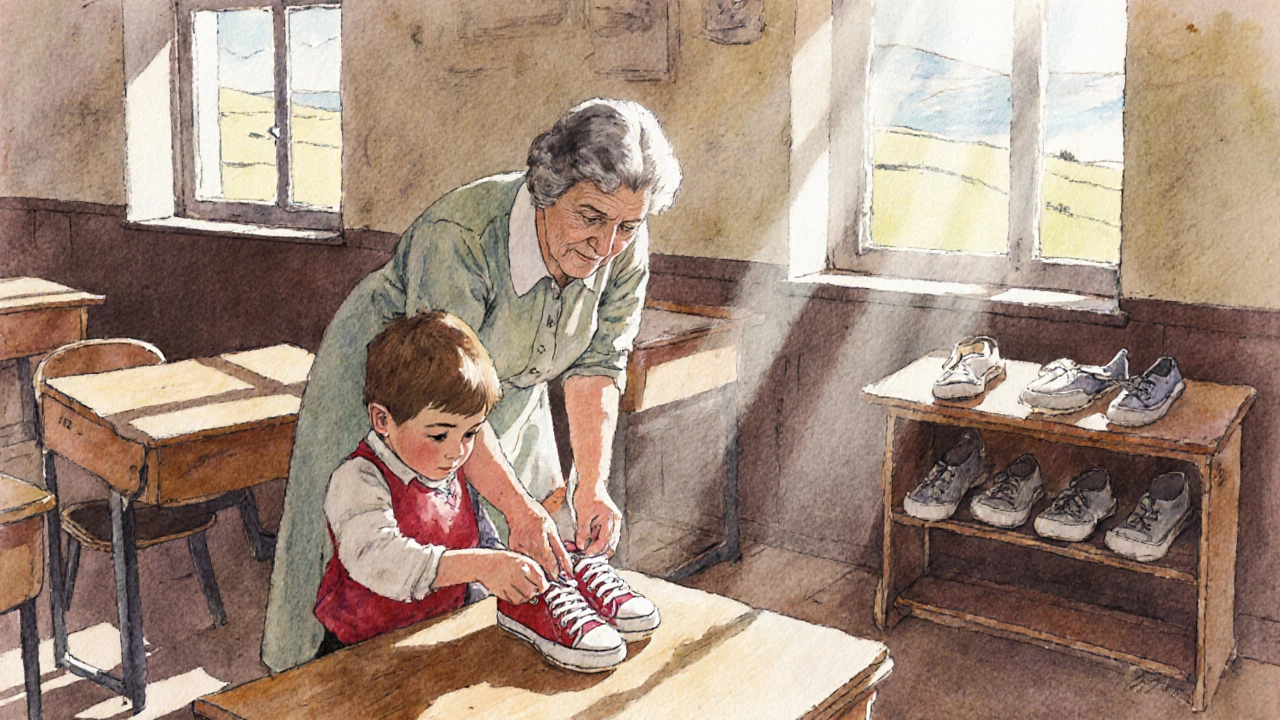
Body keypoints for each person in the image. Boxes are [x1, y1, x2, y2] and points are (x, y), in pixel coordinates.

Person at [263, 98, 682, 672]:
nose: (607, 245)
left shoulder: (623, 243)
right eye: (589, 217)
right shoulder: (459, 236)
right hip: (399, 391)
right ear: (548, 190)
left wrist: (592, 484)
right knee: (363, 559)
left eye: (627, 227)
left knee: (527, 529)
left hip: (507, 392)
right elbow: (444, 384)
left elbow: (599, 363)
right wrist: (517, 507)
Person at [314, 312, 628, 671]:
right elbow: (379, 559)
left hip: (437, 640)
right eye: (439, 435)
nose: (456, 451)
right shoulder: (358, 478)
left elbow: (483, 543)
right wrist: (481, 565)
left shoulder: (451, 471)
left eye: (470, 433)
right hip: (359, 655)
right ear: (382, 420)